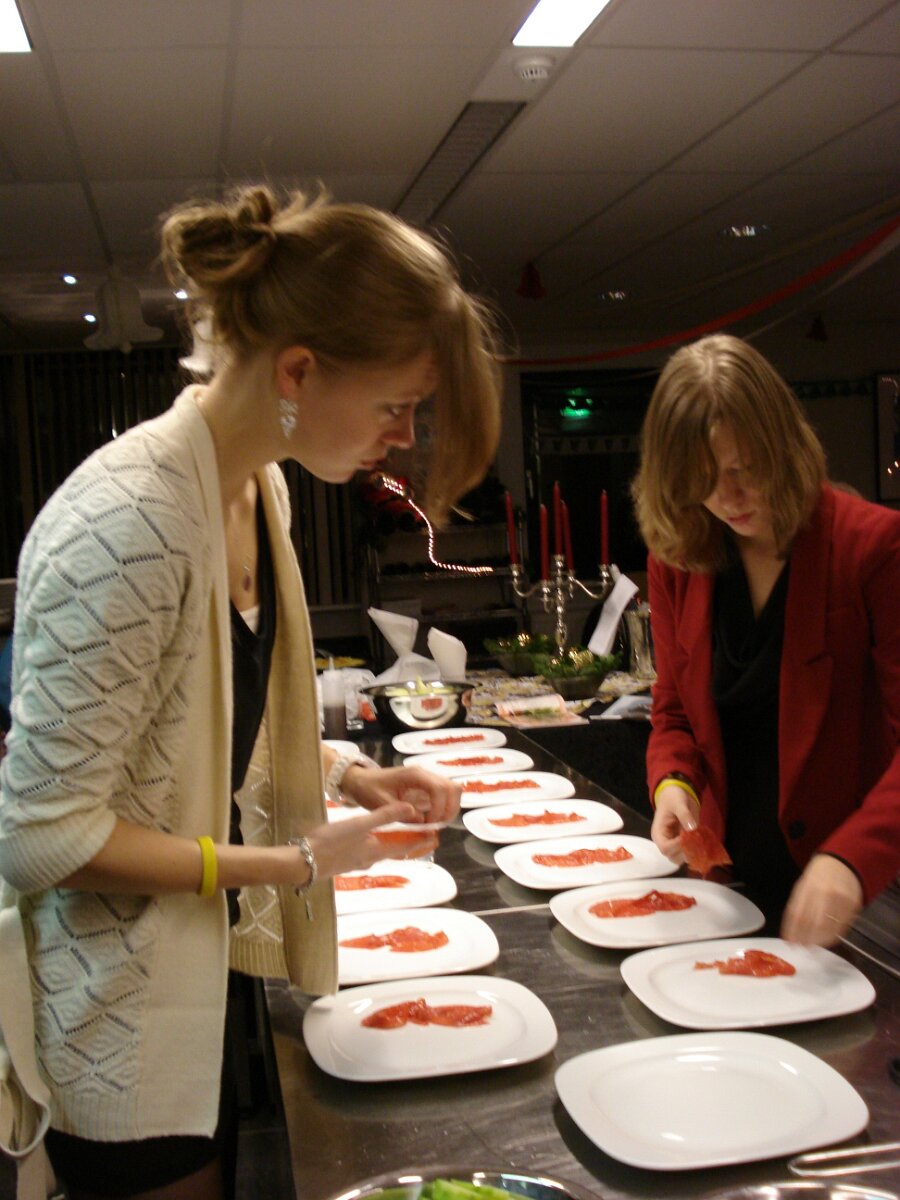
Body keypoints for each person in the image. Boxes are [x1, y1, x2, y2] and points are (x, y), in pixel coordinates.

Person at [0, 183, 502, 1200]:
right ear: (299, 370)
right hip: (122, 1015)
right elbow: (40, 834)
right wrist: (292, 862)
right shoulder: (130, 521)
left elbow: (201, 728)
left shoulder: (256, 488)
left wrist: (345, 773)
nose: (404, 437)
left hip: (209, 971)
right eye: (395, 405)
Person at [632, 333, 899, 948]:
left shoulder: (874, 548)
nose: (727, 499)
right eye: (703, 479)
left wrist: (851, 860)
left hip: (861, 900)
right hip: (732, 894)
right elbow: (673, 711)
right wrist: (673, 784)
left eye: (744, 470)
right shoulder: (678, 560)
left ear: (782, 444)